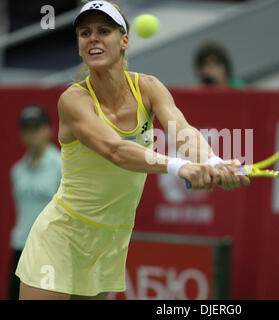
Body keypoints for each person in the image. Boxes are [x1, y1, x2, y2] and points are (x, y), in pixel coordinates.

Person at [15, 0, 249, 300]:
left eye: (103, 30)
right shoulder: (73, 100)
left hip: (109, 242)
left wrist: (214, 162)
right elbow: (115, 149)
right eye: (85, 33)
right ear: (79, 46)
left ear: (124, 40)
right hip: (62, 236)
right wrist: (179, 167)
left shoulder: (149, 88)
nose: (93, 38)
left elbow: (184, 132)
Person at [9, 105, 61, 300]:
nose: (32, 134)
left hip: (49, 251)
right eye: (27, 129)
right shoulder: (17, 170)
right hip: (21, 248)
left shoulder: (62, 166)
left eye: (36, 128)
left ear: (49, 129)